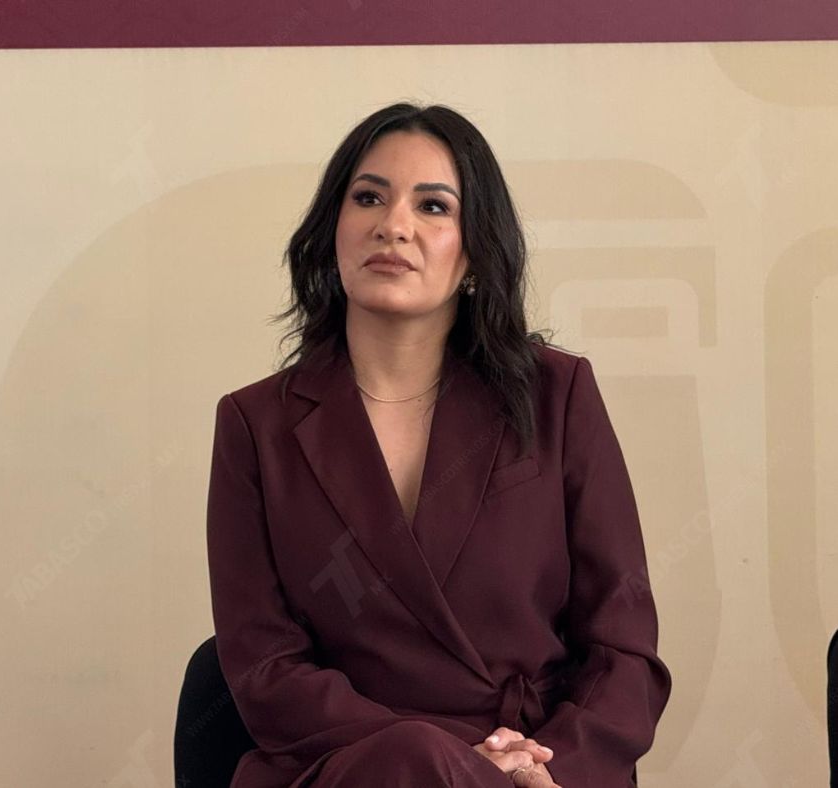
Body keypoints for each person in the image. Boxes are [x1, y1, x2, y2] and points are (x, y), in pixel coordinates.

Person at [206, 102, 671, 788]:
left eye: (432, 206)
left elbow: (622, 645)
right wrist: (456, 761)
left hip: (541, 768)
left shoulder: (557, 395)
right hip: (344, 765)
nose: (393, 225)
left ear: (476, 250)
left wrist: (549, 767)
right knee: (413, 759)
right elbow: (264, 668)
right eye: (369, 198)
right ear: (332, 233)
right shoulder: (255, 423)